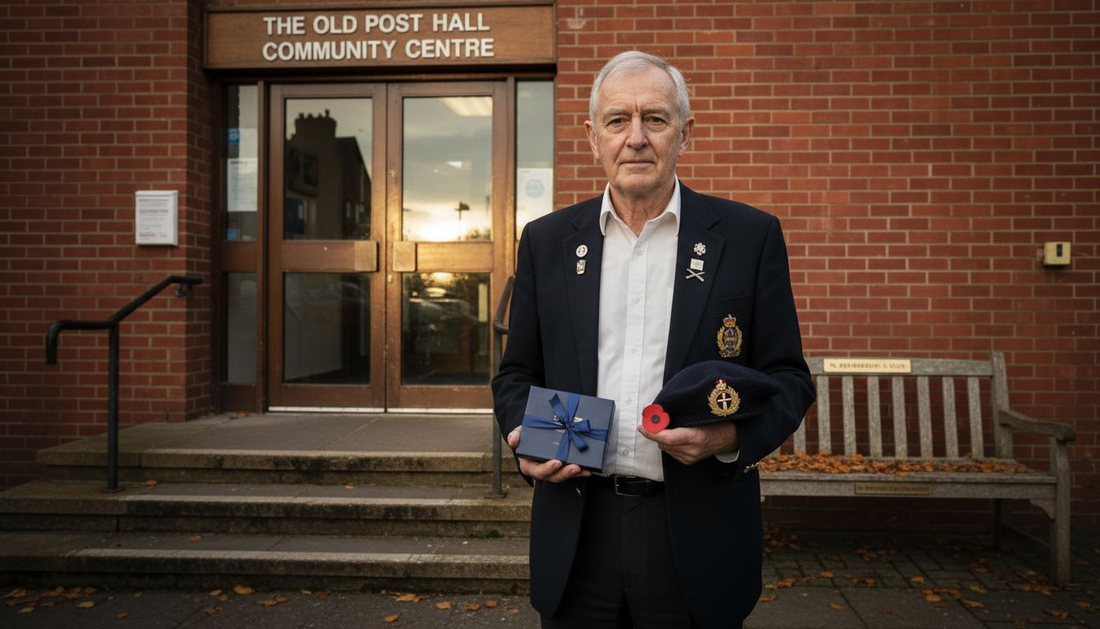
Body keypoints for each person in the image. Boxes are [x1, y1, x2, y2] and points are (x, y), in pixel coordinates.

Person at [491, 51, 815, 628]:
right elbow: (516, 374)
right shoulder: (547, 242)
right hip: (577, 532)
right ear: (592, 137)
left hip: (697, 533)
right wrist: (524, 435)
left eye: (655, 120)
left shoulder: (748, 237)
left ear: (684, 133)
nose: (635, 138)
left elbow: (789, 380)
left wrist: (727, 436)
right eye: (618, 121)